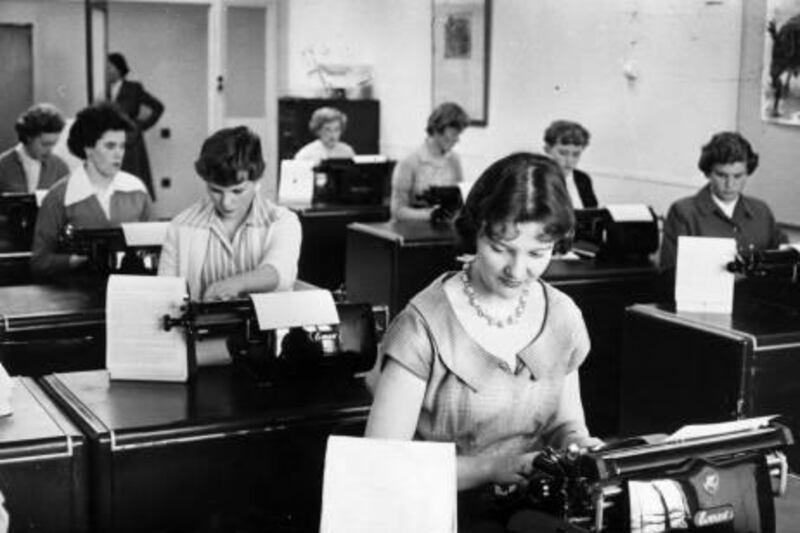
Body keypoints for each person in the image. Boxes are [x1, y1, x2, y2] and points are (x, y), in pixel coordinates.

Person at [366, 152, 601, 531]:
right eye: (500, 248)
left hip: (529, 513)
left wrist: (580, 445)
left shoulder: (563, 315)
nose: (517, 270)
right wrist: (492, 468)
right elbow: (381, 464)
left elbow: (567, 423)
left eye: (537, 253)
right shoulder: (422, 325)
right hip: (435, 512)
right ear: (476, 229)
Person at [158, 126, 301, 301]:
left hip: (264, 327)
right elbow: (164, 295)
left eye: (237, 191)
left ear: (257, 181)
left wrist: (234, 284)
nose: (226, 202)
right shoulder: (181, 225)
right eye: (216, 190)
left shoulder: (282, 221)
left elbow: (281, 272)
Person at [31, 102, 153, 280]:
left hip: (128, 291)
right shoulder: (59, 196)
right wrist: (75, 261)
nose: (119, 154)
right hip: (77, 294)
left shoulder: (137, 190)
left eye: (122, 146)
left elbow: (157, 247)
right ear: (88, 149)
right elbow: (39, 262)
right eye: (110, 146)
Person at [659, 131, 787, 270]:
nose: (730, 184)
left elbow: (785, 258)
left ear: (748, 173)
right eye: (721, 175)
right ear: (708, 173)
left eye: (738, 176)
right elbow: (669, 272)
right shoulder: (683, 213)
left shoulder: (761, 211)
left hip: (757, 290)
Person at [390, 102, 469, 222]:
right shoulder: (409, 162)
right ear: (438, 130)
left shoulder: (454, 161)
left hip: (443, 230)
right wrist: (432, 215)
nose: (457, 139)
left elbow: (459, 201)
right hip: (412, 231)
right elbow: (397, 211)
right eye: (454, 133)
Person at [107, 52, 165, 200]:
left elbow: (158, 107)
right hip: (109, 141)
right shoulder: (102, 89)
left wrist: (141, 126)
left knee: (132, 181)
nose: (106, 70)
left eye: (110, 67)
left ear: (119, 69)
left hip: (130, 141)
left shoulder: (133, 88)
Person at [0, 103, 69, 193]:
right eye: (45, 144)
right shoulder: (2, 166)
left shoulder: (60, 168)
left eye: (53, 144)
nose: (49, 150)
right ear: (29, 137)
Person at [543, 120, 598, 208]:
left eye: (576, 154)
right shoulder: (537, 178)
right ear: (547, 150)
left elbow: (593, 213)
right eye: (563, 153)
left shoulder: (583, 179)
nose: (569, 160)